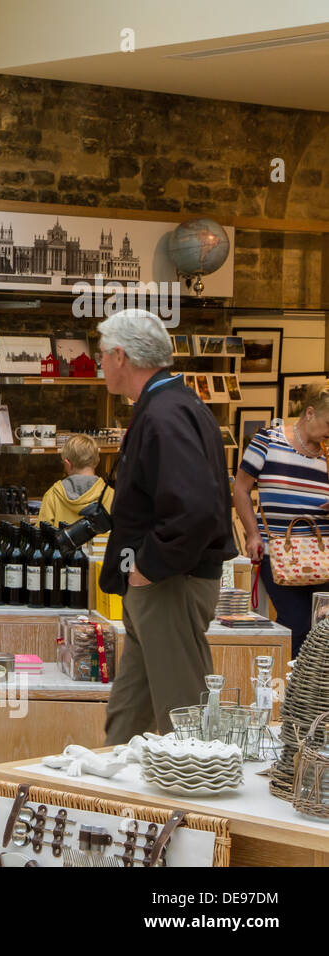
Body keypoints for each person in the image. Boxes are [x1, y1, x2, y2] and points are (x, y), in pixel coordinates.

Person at [96, 309, 237, 745]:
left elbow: (195, 510)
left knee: (185, 724)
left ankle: (193, 811)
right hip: (156, 586)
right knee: (127, 716)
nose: (99, 364)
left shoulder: (165, 414)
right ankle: (108, 803)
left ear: (121, 356)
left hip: (170, 584)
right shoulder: (168, 404)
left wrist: (148, 567)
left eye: (102, 355)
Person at [234, 381, 329, 657]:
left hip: (321, 555)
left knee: (320, 628)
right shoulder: (268, 440)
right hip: (278, 553)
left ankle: (308, 693)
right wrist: (252, 534)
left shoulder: (326, 452)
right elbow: (240, 488)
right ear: (309, 413)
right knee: (297, 625)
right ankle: (281, 688)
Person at [38, 434, 114, 527]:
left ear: (67, 464)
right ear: (98, 461)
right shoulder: (111, 495)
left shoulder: (53, 495)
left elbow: (41, 535)